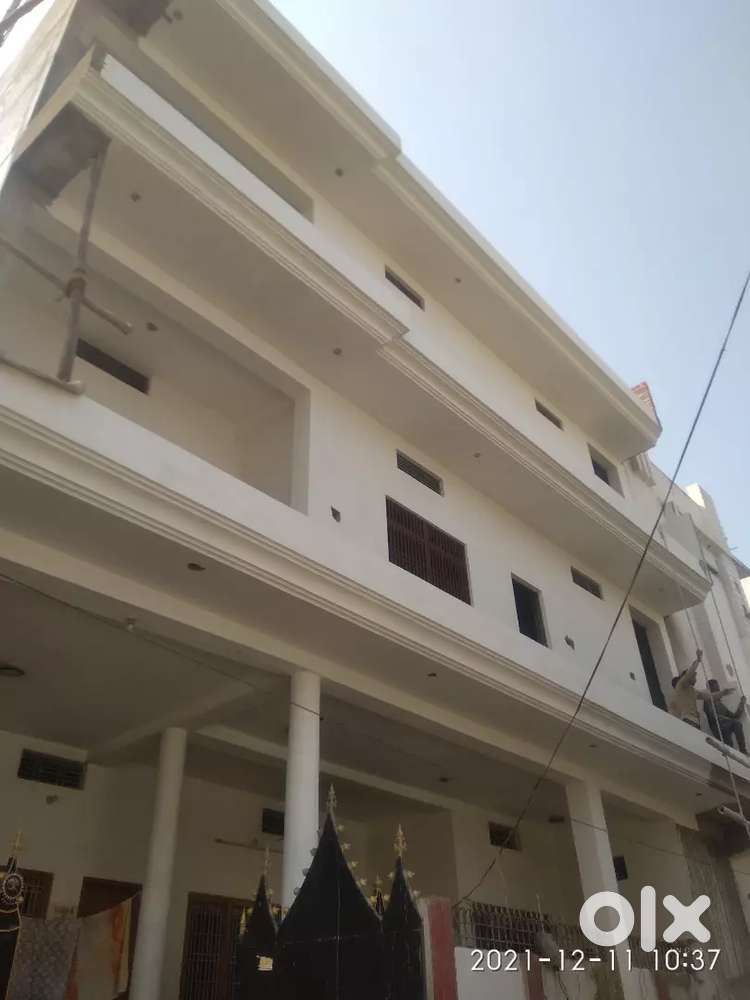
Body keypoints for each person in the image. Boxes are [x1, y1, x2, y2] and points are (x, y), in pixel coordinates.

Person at [700, 678, 747, 754]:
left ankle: (743, 750)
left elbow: (735, 716)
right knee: (736, 724)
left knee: (730, 747)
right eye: (716, 689)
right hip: (718, 728)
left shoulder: (721, 705)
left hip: (725, 727)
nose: (719, 690)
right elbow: (712, 716)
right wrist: (727, 720)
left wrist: (741, 703)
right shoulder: (707, 701)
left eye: (718, 688)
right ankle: (743, 750)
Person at [668, 650, 703, 728]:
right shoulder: (681, 686)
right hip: (688, 720)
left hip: (693, 721)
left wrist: (723, 693)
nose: (695, 677)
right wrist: (698, 660)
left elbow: (708, 696)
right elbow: (689, 673)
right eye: (694, 675)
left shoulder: (691, 691)